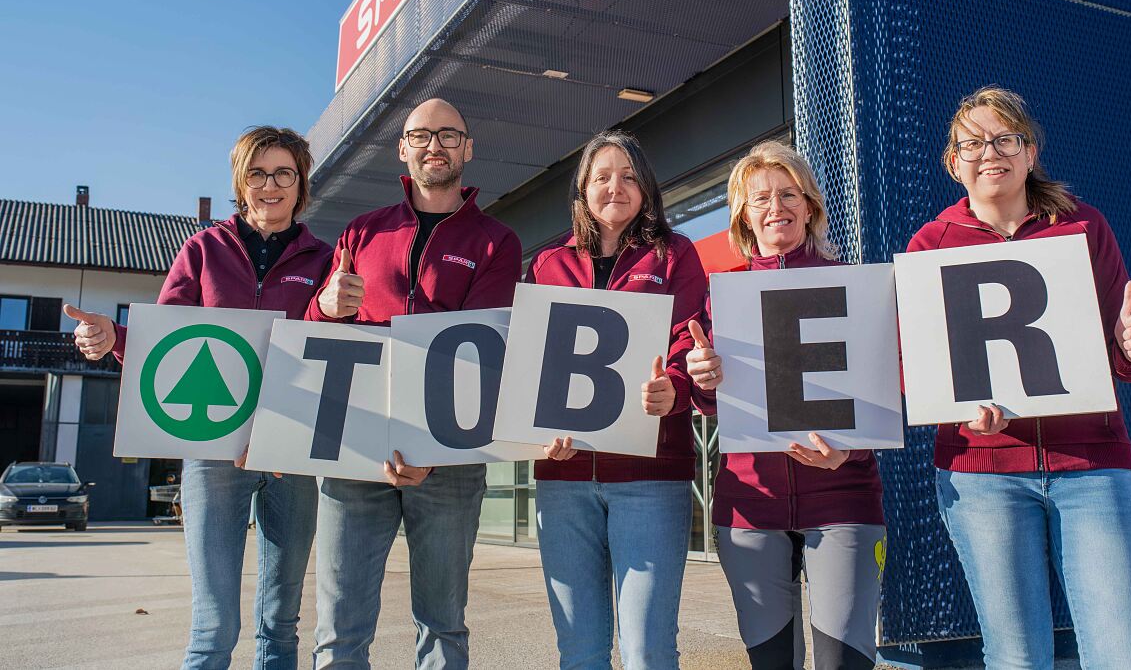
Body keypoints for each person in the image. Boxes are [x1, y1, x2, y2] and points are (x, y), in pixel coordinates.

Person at [906, 86, 1131, 669]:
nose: (989, 152)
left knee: (1124, 654)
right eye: (973, 142)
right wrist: (954, 406)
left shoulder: (1083, 226)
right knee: (1017, 658)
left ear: (1029, 153)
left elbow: (1122, 355)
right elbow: (913, 363)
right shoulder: (929, 244)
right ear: (953, 162)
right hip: (983, 476)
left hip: (1092, 469)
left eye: (1005, 138)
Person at [67, 126, 332, 669]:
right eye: (257, 173)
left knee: (281, 622)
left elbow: (330, 353)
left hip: (291, 453)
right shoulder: (204, 250)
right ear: (241, 182)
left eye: (284, 172)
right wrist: (113, 338)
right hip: (213, 452)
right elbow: (165, 340)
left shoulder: (325, 260)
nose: (270, 184)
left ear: (301, 183)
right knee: (214, 625)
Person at [306, 98, 522, 670]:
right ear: (402, 149)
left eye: (449, 135)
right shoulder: (361, 231)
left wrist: (427, 446)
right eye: (421, 135)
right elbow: (316, 340)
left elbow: (479, 352)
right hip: (356, 451)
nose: (435, 146)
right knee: (339, 633)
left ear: (468, 149)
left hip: (448, 457)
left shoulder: (497, 242)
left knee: (442, 627)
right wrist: (326, 306)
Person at [685, 139, 885, 669]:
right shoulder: (717, 295)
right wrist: (704, 379)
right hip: (751, 502)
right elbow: (712, 404)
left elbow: (885, 396)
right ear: (743, 217)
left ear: (810, 206)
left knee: (845, 662)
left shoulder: (853, 285)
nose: (776, 207)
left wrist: (851, 454)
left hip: (843, 497)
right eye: (760, 199)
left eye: (788, 194)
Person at [526, 129, 707, 670]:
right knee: (579, 652)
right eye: (602, 176)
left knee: (647, 650)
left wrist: (674, 386)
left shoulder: (675, 255)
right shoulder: (547, 264)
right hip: (563, 480)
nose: (615, 186)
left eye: (629, 176)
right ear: (583, 189)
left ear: (647, 189)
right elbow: (530, 363)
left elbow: (690, 335)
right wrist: (533, 431)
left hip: (649, 478)